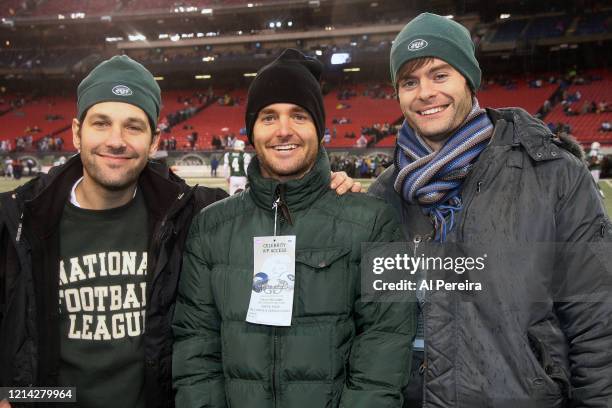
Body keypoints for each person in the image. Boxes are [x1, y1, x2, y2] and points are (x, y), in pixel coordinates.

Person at [0, 55, 362, 408]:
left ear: (154, 140)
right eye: (101, 123)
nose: (116, 140)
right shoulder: (17, 221)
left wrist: (317, 190)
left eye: (133, 126)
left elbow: (270, 208)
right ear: (77, 132)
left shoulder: (193, 213)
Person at [369, 13, 612, 407]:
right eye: (409, 82)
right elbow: (375, 324)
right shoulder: (384, 195)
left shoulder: (553, 175)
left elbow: (597, 318)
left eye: (440, 74)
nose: (425, 92)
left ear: (468, 78)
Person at [172, 49, 415, 408]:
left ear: (319, 128)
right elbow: (195, 347)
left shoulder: (375, 221)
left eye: (298, 116)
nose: (283, 130)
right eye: (268, 117)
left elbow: (385, 346)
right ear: (251, 131)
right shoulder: (210, 226)